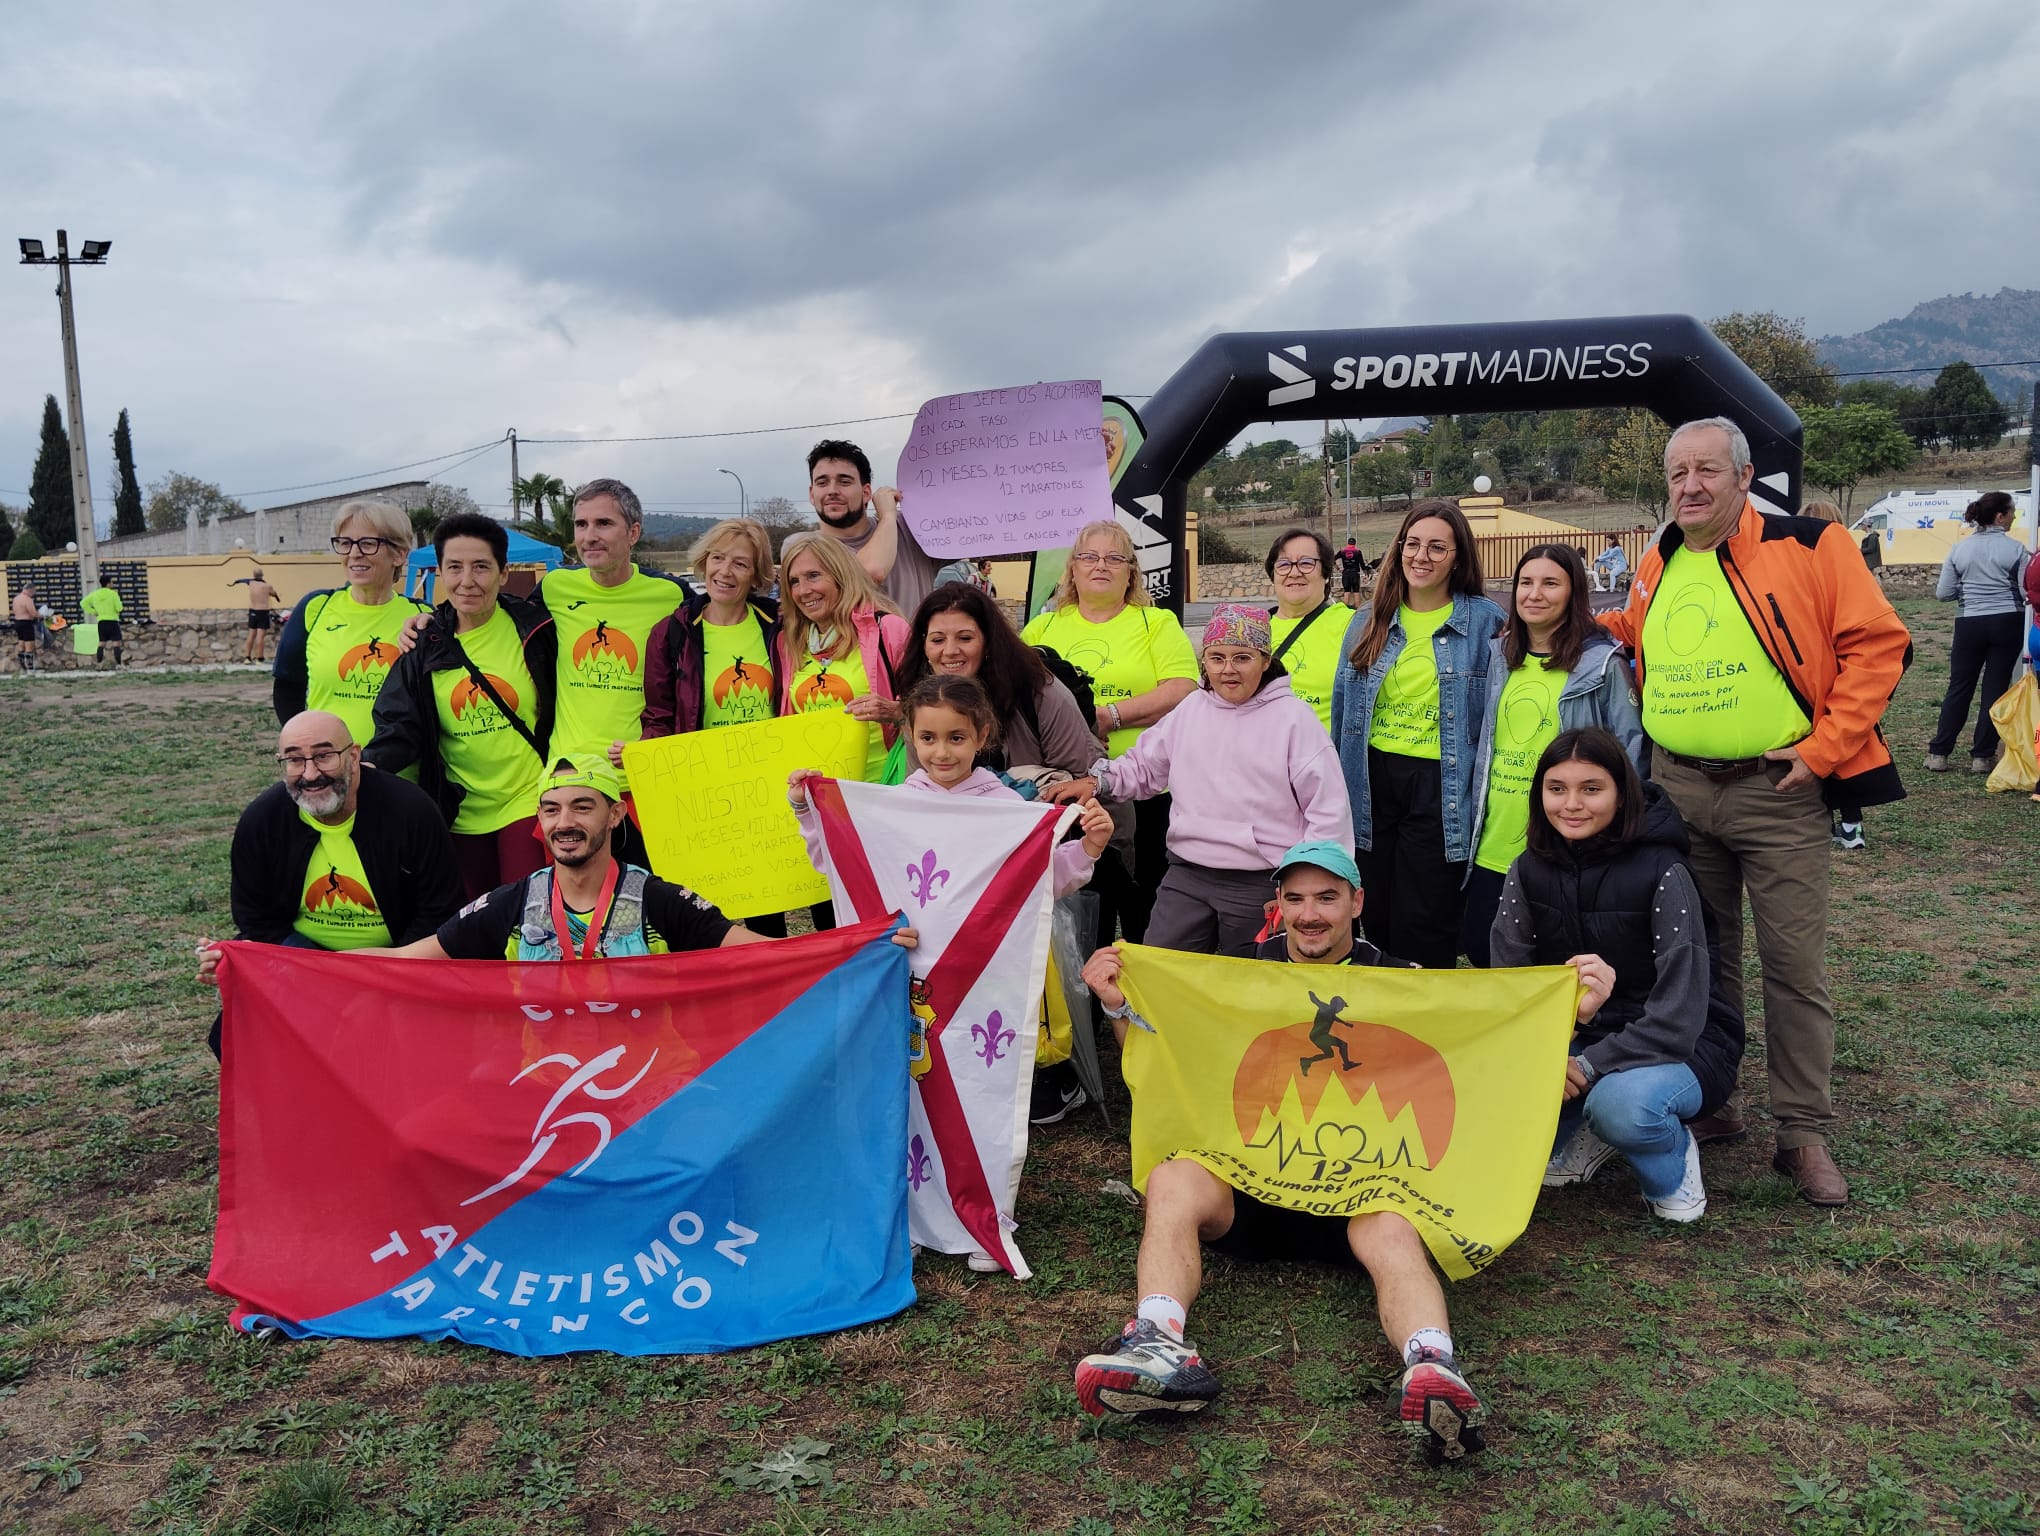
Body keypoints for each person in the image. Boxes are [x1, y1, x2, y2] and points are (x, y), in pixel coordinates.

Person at [1073, 841, 1489, 1464]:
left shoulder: (1403, 982)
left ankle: (1432, 1368)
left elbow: (1479, 1049)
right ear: (1278, 906)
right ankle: (1158, 1344)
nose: (1310, 913)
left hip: (1358, 1196)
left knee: (1396, 1232)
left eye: (1327, 897)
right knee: (1172, 1179)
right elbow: (1156, 1048)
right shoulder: (1236, 975)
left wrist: (1554, 1025)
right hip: (1250, 1187)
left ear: (1357, 903)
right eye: (1295, 899)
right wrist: (1116, 1002)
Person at [1599, 417, 1910, 1206]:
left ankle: (1802, 1133)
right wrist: (1559, 626)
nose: (1691, 487)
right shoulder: (1660, 557)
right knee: (1701, 960)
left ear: (1744, 477)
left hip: (1777, 793)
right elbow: (1630, 638)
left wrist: (1824, 749)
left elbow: (1880, 643)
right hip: (1677, 790)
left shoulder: (1811, 545)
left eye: (1707, 470)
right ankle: (1715, 1100)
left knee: (1794, 967)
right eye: (1677, 474)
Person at [1489, 728, 1745, 1222]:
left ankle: (1671, 1167)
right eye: (1557, 788)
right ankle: (1573, 1130)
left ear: (1621, 793)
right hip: (1579, 1037)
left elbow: (1680, 1015)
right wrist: (1571, 1024)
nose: (1572, 804)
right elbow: (1510, 989)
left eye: (1591, 789)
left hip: (1685, 1045)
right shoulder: (1526, 868)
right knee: (1484, 1086)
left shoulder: (1665, 871)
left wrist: (1583, 1066)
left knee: (1621, 1107)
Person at [1066, 605, 1351, 956]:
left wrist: (1304, 892)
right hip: (1187, 873)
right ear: (1204, 662)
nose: (1227, 670)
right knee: (1164, 971)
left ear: (1265, 661)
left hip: (1261, 880)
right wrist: (1097, 782)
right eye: (1216, 658)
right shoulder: (1190, 710)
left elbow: (1328, 813)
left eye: (1242, 658)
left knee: (1251, 985)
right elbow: (1143, 768)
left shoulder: (1295, 721)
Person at [195, 710, 461, 1051]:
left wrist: (373, 976)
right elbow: (256, 922)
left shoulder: (412, 811)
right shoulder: (262, 821)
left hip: (399, 966)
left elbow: (438, 914)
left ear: (354, 755)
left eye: (324, 756)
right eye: (294, 760)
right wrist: (322, 974)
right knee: (231, 1036)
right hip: (303, 966)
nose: (310, 773)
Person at [1330, 499, 1505, 970]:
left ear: (1458, 558)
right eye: (1413, 544)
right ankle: (1384, 1027)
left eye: (1437, 547)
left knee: (1426, 919)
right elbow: (1343, 712)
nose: (1421, 556)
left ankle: (1427, 1030)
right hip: (1371, 783)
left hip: (1440, 786)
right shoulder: (1367, 620)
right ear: (1398, 548)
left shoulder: (1485, 622)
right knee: (1378, 913)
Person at [386, 757, 774, 961]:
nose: (565, 823)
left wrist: (835, 958)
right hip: (547, 1087)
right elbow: (408, 959)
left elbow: (766, 955)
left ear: (616, 814)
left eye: (582, 807)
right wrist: (324, 973)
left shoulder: (659, 901)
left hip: (645, 1086)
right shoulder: (513, 905)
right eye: (551, 810)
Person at [1462, 545, 1644, 964]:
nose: (1534, 594)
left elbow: (1632, 756)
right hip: (1494, 845)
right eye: (1526, 582)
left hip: (1564, 848)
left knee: (1556, 972)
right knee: (1483, 952)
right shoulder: (1498, 657)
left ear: (1573, 592)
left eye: (1550, 583)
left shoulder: (1601, 665)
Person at [365, 513, 558, 901]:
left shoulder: (537, 628)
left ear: (504, 573)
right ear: (440, 570)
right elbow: (399, 722)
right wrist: (368, 766)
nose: (467, 581)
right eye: (454, 567)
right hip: (457, 808)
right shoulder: (424, 642)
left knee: (525, 913)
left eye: (481, 567)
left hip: (526, 798)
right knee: (472, 923)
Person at [1022, 520, 1198, 944]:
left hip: (1148, 794)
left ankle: (1141, 1000)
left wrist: (1110, 716)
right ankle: (1088, 1005)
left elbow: (1183, 689)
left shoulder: (1155, 623)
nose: (1101, 565)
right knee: (1081, 910)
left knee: (1146, 909)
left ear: (1131, 572)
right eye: (1089, 556)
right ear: (1072, 570)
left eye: (1114, 557)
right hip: (1066, 795)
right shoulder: (1042, 629)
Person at [532, 479, 688, 776]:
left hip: (642, 773)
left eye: (603, 523)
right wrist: (429, 621)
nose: (589, 536)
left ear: (633, 533)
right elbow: (498, 618)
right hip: (569, 774)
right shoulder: (554, 587)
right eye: (581, 524)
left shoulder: (672, 595)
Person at [894, 583, 1096, 780]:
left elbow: (1085, 780)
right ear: (924, 645)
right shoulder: (920, 701)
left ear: (989, 642)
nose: (950, 651)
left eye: (965, 638)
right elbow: (921, 788)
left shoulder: (1039, 692)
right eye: (938, 640)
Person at [271, 501, 431, 746]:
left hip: (399, 777)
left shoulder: (421, 617)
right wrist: (309, 750)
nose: (354, 553)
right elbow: (287, 687)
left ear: (399, 554)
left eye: (368, 543)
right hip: (327, 774)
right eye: (345, 543)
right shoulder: (315, 608)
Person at [776, 531, 911, 786]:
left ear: (841, 576)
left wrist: (895, 711)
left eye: (813, 576)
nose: (804, 590)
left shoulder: (889, 630)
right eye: (794, 581)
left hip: (882, 787)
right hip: (821, 794)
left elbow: (935, 709)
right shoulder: (789, 643)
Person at [641, 517, 786, 738]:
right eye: (718, 558)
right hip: (704, 769)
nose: (725, 571)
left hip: (773, 767)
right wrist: (641, 753)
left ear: (756, 577)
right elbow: (659, 718)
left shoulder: (780, 627)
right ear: (705, 562)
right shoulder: (671, 633)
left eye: (740, 564)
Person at [1926, 491, 2030, 776]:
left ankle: (1939, 753)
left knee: (1959, 686)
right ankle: (1982, 757)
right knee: (1994, 689)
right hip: (2008, 621)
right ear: (2000, 517)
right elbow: (2025, 592)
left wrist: (1968, 592)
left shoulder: (1959, 550)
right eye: (2011, 513)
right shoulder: (2018, 550)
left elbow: (1943, 593)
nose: (2013, 517)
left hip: (1969, 621)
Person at [806, 438, 942, 618]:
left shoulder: (911, 528)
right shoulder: (803, 549)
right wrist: (887, 516)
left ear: (866, 493)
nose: (832, 490)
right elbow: (871, 572)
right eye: (822, 483)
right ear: (811, 494)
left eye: (844, 482)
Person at [1801, 502, 1870, 848]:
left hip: (1819, 674)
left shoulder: (1798, 565)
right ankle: (1851, 824)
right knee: (1843, 751)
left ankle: (1841, 822)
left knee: (1826, 748)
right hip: (1839, 673)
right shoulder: (1852, 564)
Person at [1264, 528, 1345, 732]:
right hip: (1258, 756)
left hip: (1319, 757)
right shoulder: (1252, 629)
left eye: (1306, 563)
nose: (1294, 572)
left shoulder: (1351, 625)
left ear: (1325, 573)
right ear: (1273, 575)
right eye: (1283, 564)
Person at [81, 573, 124, 667]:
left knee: (101, 643)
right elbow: (119, 608)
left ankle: (99, 664)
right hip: (113, 621)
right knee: (116, 643)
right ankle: (119, 664)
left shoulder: (95, 594)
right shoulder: (113, 594)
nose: (113, 584)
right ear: (108, 584)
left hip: (101, 622)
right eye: (112, 582)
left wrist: (93, 611)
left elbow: (83, 603)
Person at [234, 568, 277, 661]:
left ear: (253, 575)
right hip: (263, 612)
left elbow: (243, 581)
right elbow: (273, 593)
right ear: (262, 575)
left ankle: (247, 658)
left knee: (251, 635)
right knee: (260, 637)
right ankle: (259, 658)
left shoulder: (251, 583)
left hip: (252, 611)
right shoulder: (267, 586)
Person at [10, 581, 36, 671]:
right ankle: (30, 667)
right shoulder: (27, 599)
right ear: (29, 590)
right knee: (29, 645)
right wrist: (43, 615)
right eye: (33, 592)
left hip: (17, 622)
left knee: (21, 644)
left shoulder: (16, 599)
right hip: (26, 623)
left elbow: (14, 611)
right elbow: (33, 613)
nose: (33, 594)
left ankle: (22, 667)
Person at [1336, 537, 1367, 608]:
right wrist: (1365, 574)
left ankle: (1345, 609)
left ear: (1348, 543)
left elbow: (1332, 559)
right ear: (1355, 544)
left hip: (1346, 573)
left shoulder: (1342, 551)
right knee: (1356, 592)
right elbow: (1362, 564)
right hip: (1355, 573)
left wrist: (1337, 568)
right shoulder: (1358, 552)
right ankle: (1357, 609)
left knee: (1346, 591)